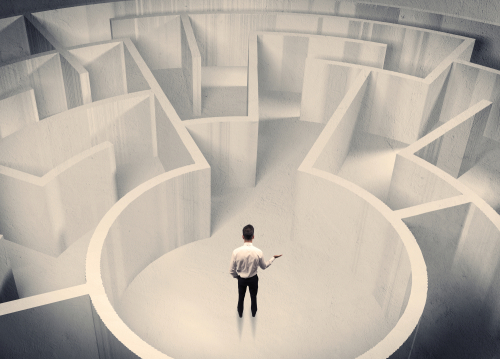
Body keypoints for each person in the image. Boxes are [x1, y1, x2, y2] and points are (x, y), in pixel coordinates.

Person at [229, 224, 282, 318]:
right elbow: (264, 266)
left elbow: (231, 270)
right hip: (253, 279)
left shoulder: (236, 252)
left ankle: (240, 314)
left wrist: (237, 277)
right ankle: (253, 314)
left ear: (242, 236)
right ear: (253, 236)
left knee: (241, 298)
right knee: (253, 297)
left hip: (241, 279)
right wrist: (273, 258)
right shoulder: (258, 252)